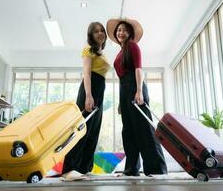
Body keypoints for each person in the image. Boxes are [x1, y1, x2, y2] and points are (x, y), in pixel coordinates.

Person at [106, 18, 167, 176]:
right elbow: (121, 79)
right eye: (119, 30)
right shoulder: (121, 51)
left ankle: (156, 168)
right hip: (124, 90)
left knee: (144, 128)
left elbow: (139, 69)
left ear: (130, 33)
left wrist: (139, 91)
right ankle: (131, 169)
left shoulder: (133, 46)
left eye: (124, 30)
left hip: (135, 86)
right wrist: (121, 101)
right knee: (128, 131)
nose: (121, 32)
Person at [61, 22, 110, 180]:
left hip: (100, 90)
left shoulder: (102, 54)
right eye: (96, 31)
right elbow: (87, 74)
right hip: (90, 90)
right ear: (91, 35)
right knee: (82, 129)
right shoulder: (88, 49)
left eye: (102, 31)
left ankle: (83, 168)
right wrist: (88, 95)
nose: (100, 33)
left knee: (93, 130)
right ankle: (69, 169)